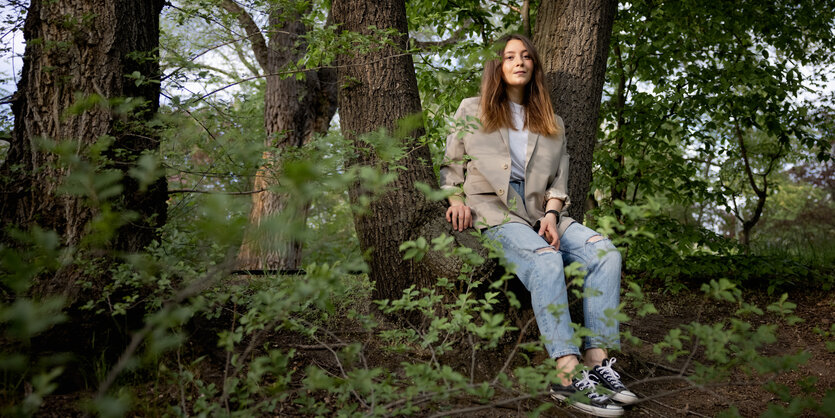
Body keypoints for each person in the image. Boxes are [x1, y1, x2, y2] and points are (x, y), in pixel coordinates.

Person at [440, 34, 638, 417]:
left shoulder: (553, 122)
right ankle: (566, 378)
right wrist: (455, 201)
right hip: (494, 211)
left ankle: (598, 362)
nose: (519, 62)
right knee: (547, 261)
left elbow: (559, 183)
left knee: (605, 254)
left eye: (526, 56)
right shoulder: (471, 109)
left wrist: (551, 214)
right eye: (510, 56)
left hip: (541, 211)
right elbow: (451, 166)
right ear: (497, 65)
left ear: (534, 66)